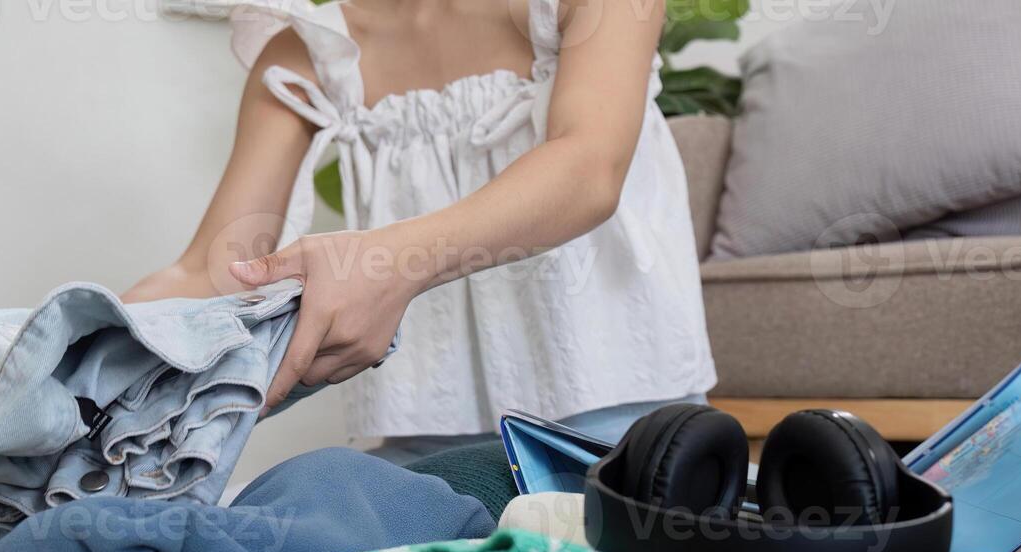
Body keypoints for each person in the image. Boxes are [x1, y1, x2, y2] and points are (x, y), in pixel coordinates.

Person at [127, 0, 716, 460]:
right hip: (424, 439)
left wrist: (388, 263)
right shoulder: (307, 51)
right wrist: (62, 338)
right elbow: (214, 267)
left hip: (620, 417)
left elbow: (587, 170)